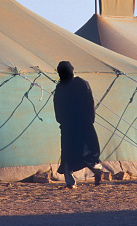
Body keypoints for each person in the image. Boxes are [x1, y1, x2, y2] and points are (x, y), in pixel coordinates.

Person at [53, 61, 103, 189]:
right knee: (68, 154)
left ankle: (97, 171)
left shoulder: (81, 84)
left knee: (86, 152)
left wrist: (89, 120)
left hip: (81, 124)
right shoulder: (62, 86)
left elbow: (89, 103)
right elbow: (58, 105)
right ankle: (70, 182)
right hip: (71, 125)